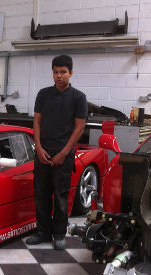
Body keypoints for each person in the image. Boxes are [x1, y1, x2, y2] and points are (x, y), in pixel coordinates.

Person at [26, 55, 87, 250]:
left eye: (63, 72)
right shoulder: (43, 94)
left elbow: (79, 128)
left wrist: (63, 153)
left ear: (71, 73)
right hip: (43, 153)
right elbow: (36, 121)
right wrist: (39, 148)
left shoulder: (78, 97)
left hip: (64, 155)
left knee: (60, 196)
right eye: (55, 72)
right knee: (41, 195)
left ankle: (59, 234)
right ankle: (43, 232)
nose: (59, 76)